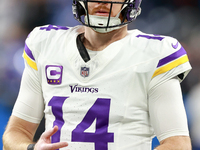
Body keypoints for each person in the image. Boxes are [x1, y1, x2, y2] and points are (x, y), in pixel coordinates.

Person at [3, 0, 192, 150]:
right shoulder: (45, 44)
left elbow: (178, 144)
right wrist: (31, 148)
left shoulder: (154, 54)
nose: (102, 1)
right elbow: (15, 133)